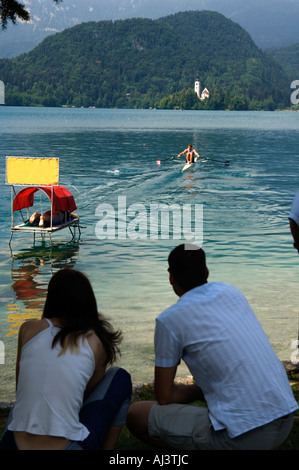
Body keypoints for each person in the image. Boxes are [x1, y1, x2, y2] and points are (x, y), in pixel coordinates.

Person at [126, 244, 298, 450]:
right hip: (285, 418)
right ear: (207, 271)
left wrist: (198, 391)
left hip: (246, 437)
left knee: (137, 415)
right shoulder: (231, 292)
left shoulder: (169, 320)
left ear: (171, 278)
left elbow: (164, 396)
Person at [0, 268, 132, 450]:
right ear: (89, 303)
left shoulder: (28, 329)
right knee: (120, 377)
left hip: (13, 445)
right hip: (67, 446)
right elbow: (87, 397)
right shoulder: (96, 342)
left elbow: (20, 388)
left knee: (20, 405)